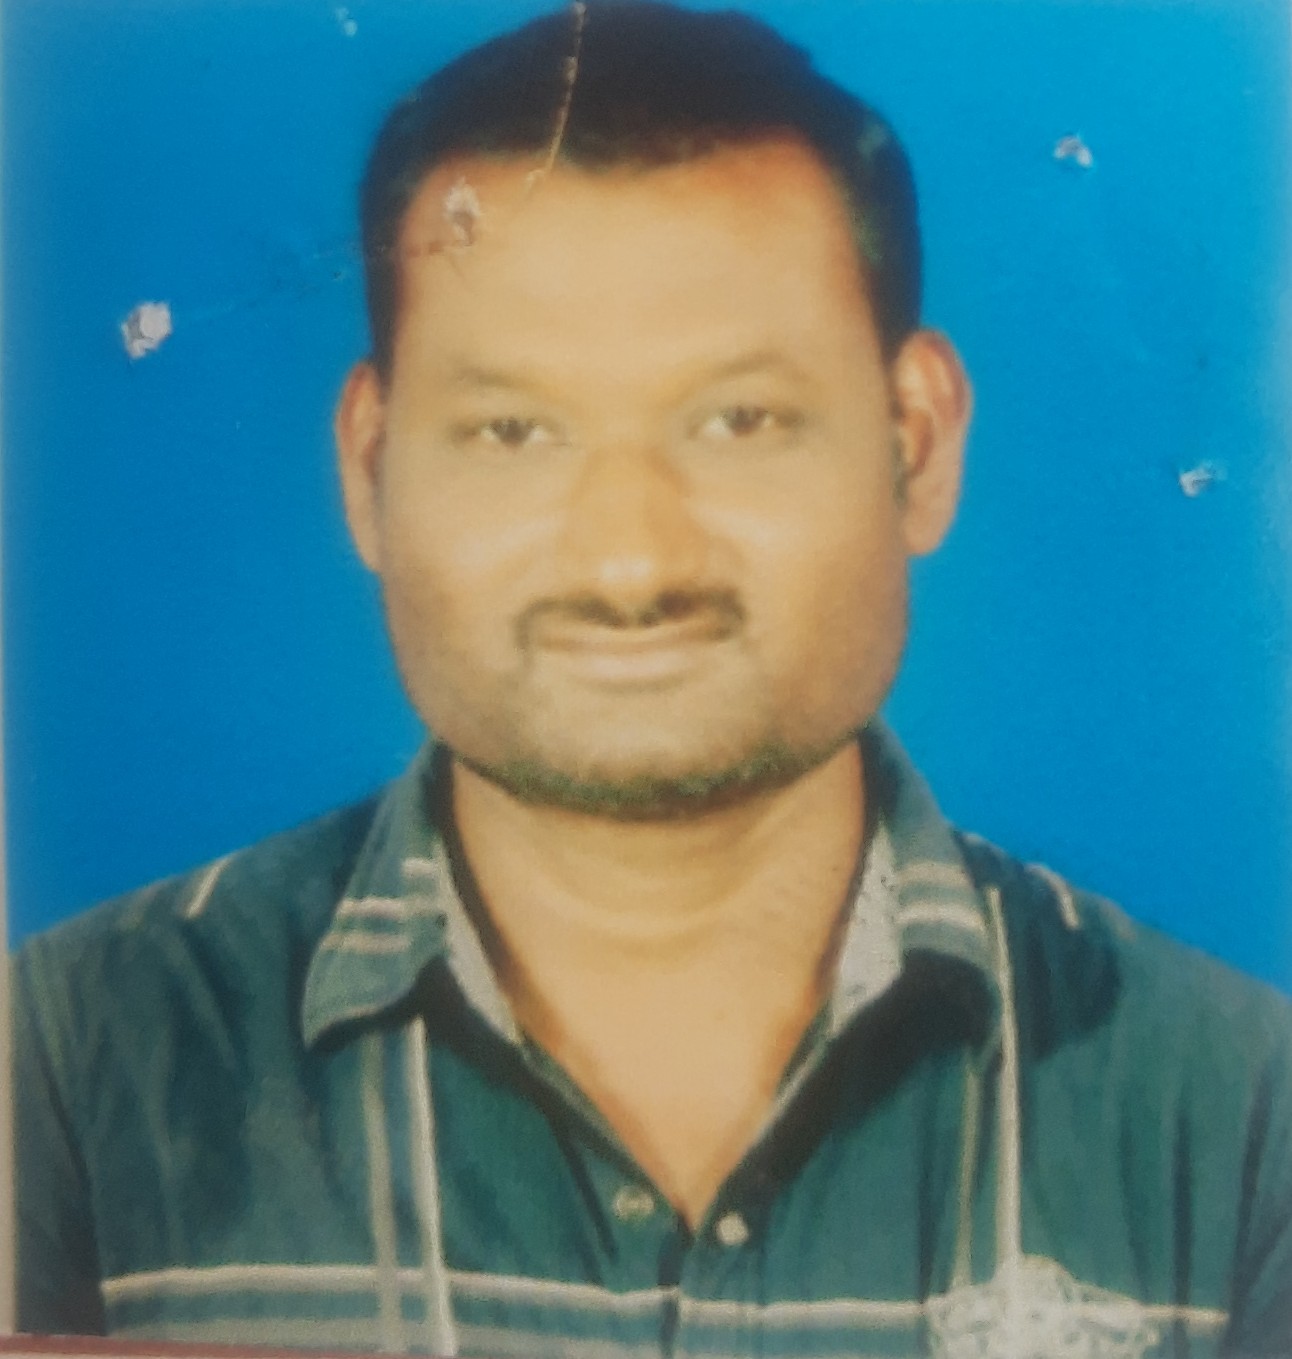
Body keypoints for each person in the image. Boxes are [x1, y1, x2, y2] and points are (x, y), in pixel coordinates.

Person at [13, 3, 1292, 1356]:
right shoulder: (59, 1070)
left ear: (915, 441)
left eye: (740, 419)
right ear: (370, 467)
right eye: (513, 430)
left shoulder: (1241, 1118)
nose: (630, 562)